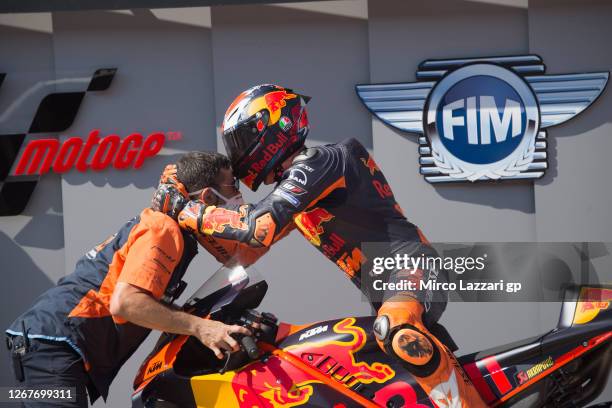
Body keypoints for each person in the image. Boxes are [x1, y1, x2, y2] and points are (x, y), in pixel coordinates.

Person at [154, 85, 487, 406]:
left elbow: (258, 228)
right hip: (385, 289)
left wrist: (186, 208)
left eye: (242, 138)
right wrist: (184, 223)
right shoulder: (302, 187)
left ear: (276, 125)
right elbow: (245, 252)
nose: (238, 151)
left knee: (394, 326)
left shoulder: (320, 162)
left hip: (414, 269)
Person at [5, 152, 252, 407]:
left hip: (45, 344)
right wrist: (202, 328)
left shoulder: (164, 227)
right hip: (54, 345)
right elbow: (127, 303)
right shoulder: (163, 228)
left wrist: (201, 323)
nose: (238, 197)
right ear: (208, 197)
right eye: (233, 185)